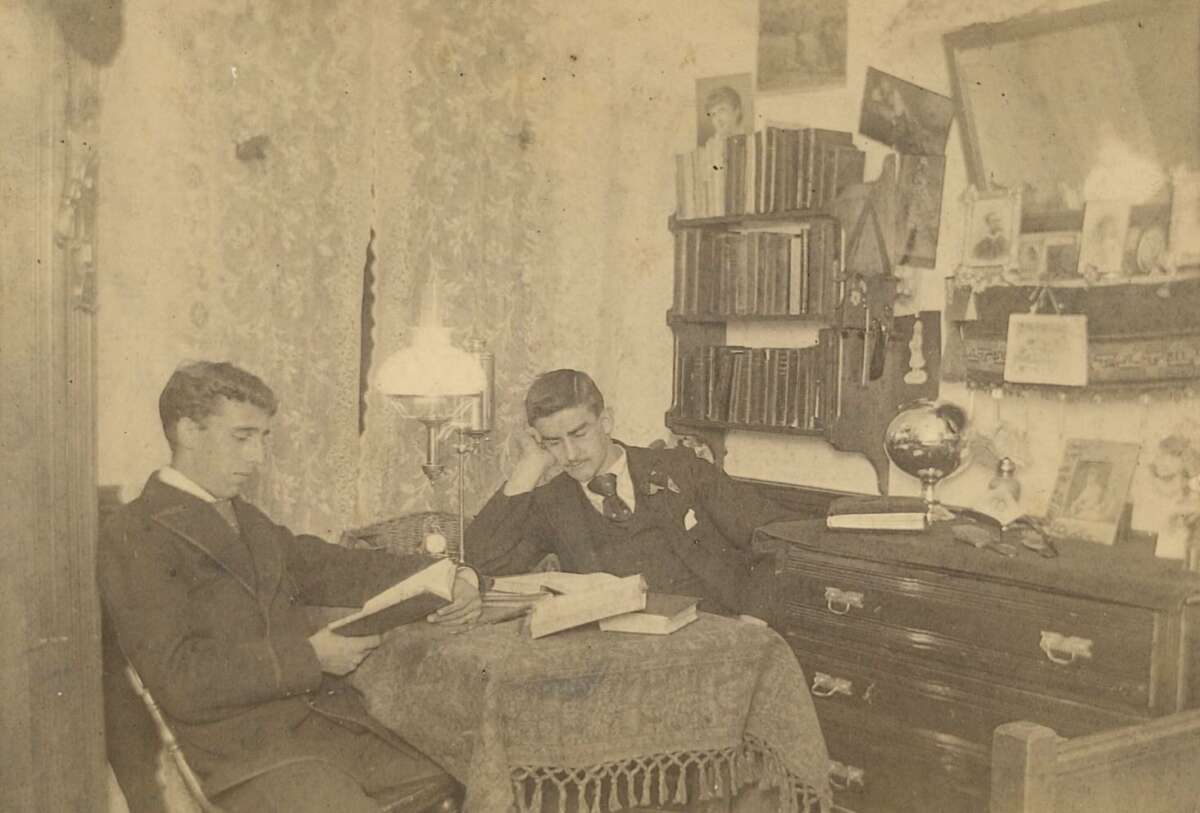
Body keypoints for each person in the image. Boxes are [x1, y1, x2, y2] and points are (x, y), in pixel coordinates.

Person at [98, 361, 480, 812]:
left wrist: (451, 575)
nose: (257, 458)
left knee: (464, 778)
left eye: (262, 438)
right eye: (242, 437)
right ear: (188, 431)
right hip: (238, 755)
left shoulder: (243, 517)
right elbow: (181, 678)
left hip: (313, 729)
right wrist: (311, 657)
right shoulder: (137, 531)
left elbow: (334, 566)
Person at [465, 369, 798, 620]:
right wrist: (530, 466)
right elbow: (485, 561)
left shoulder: (683, 469)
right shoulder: (553, 502)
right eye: (553, 442)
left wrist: (755, 618)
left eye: (579, 434)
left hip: (713, 630)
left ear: (606, 421)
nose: (570, 454)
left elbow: (777, 536)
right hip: (618, 650)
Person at [701, 85, 743, 150]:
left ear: (736, 111)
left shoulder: (750, 140)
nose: (718, 119)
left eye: (721, 110)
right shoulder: (710, 147)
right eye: (713, 114)